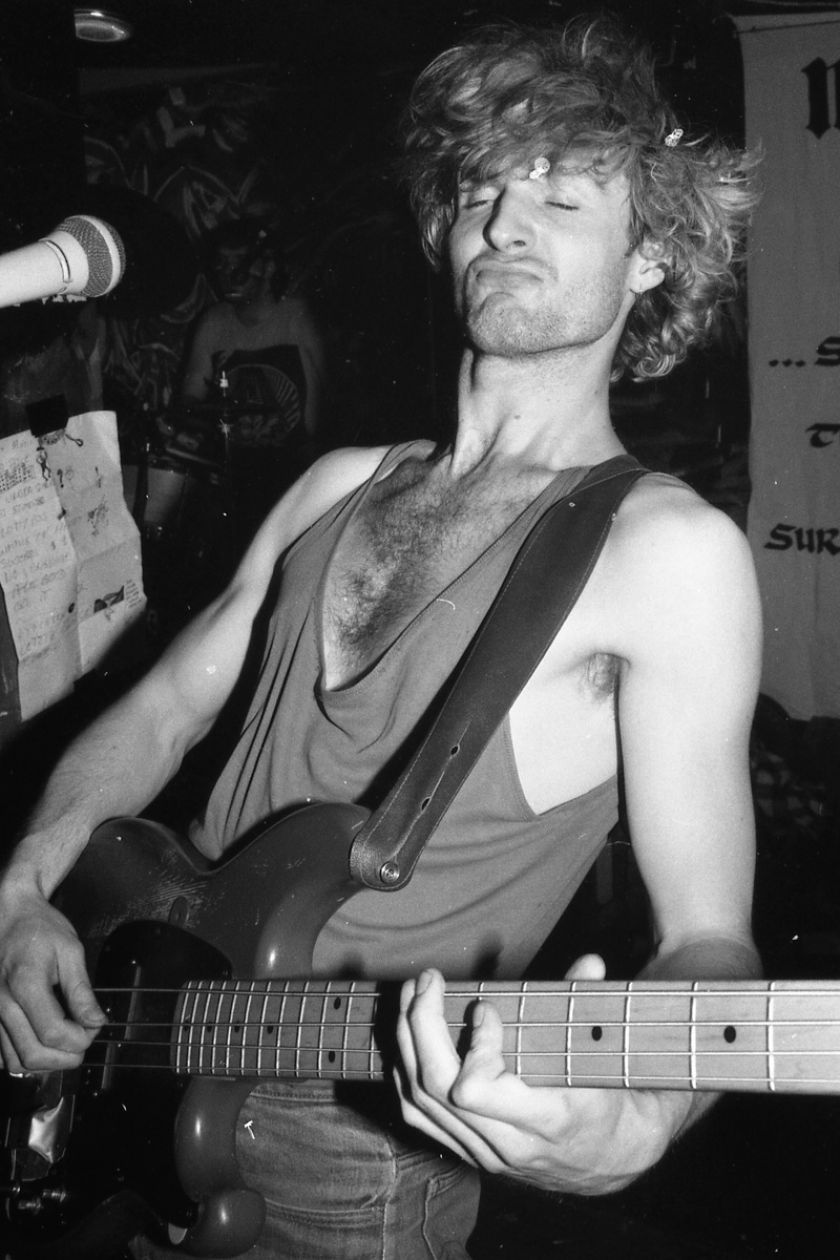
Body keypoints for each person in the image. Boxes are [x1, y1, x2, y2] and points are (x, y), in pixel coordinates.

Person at [0, 15, 763, 1259]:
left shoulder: (665, 553)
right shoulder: (334, 484)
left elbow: (708, 941)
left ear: (650, 258)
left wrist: (642, 1121)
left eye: (561, 196)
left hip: (355, 1152)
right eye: (481, 191)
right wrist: (27, 885)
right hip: (139, 1042)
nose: (503, 223)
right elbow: (164, 708)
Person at [176, 216, 326, 537]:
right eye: (220, 263)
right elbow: (190, 398)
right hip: (234, 472)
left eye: (237, 262)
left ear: (267, 267)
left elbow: (327, 403)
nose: (226, 273)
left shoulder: (298, 317)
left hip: (294, 473)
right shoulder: (213, 322)